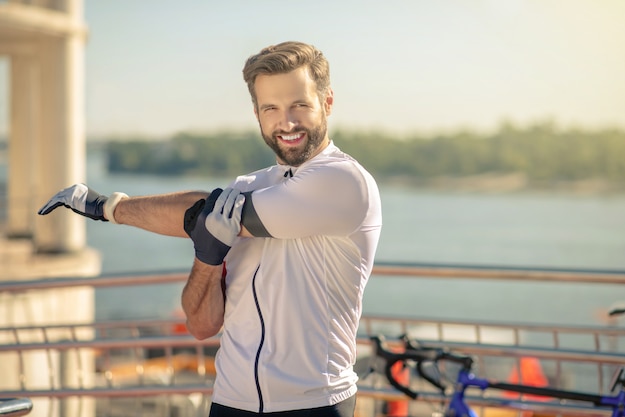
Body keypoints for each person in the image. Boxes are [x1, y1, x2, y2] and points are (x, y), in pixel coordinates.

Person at [38, 41, 382, 417]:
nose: (287, 122)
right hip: (230, 402)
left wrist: (106, 207)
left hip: (314, 405)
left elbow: (198, 212)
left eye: (300, 105)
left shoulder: (344, 181)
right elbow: (201, 325)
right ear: (257, 114)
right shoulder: (248, 185)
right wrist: (206, 256)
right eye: (271, 108)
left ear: (327, 102)